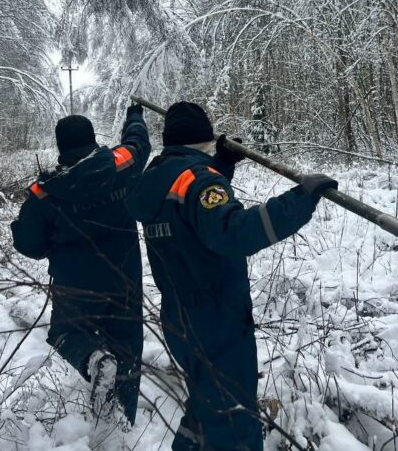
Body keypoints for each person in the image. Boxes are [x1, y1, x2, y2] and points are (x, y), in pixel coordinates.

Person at [126, 101, 336, 451]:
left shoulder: (157, 178)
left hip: (179, 315)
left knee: (206, 406)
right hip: (216, 320)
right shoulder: (197, 179)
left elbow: (192, 214)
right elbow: (233, 232)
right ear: (204, 138)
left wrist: (219, 165)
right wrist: (300, 199)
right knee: (234, 423)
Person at [11, 106, 150, 428]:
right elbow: (139, 142)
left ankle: (93, 359)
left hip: (75, 280)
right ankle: (121, 423)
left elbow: (29, 245)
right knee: (127, 348)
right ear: (93, 139)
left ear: (61, 148)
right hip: (125, 275)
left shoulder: (44, 192)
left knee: (66, 333)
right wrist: (135, 116)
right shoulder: (123, 163)